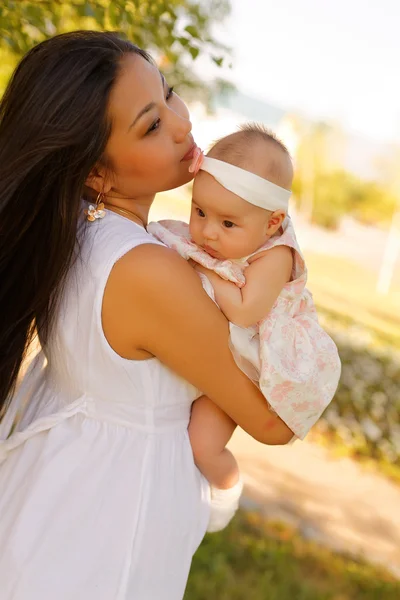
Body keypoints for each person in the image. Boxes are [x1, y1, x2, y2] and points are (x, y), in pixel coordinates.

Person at [0, 31, 293, 599]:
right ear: (95, 174)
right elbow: (274, 419)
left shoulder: (84, 238)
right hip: (100, 539)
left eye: (170, 94)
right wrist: (282, 278)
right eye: (151, 125)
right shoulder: (145, 270)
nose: (182, 124)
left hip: (62, 506)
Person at [149, 125, 341, 493]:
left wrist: (204, 267)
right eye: (200, 211)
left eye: (227, 223)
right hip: (218, 346)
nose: (207, 233)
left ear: (271, 223)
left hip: (255, 360)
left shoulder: (276, 254)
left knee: (203, 445)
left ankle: (225, 492)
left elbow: (243, 312)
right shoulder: (220, 239)